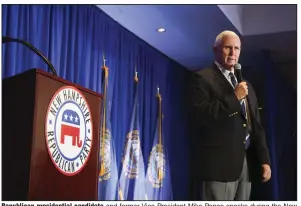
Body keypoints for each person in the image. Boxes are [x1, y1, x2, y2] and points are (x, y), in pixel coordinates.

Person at [189, 30, 271, 200]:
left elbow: (255, 125)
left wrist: (264, 160)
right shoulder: (202, 78)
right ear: (215, 50)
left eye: (237, 48)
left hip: (246, 166)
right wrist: (234, 98)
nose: (233, 53)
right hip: (218, 168)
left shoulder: (246, 85)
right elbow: (202, 115)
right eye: (228, 48)